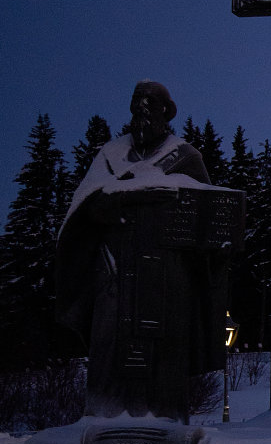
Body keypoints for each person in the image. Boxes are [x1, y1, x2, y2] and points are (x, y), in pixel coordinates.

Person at [56, 80, 242, 423]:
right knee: (111, 347)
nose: (141, 112)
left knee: (164, 351)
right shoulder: (110, 156)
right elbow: (84, 209)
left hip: (168, 278)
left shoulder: (186, 158)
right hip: (115, 271)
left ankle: (165, 418)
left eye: (149, 105)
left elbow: (209, 223)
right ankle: (106, 415)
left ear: (164, 113)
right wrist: (119, 199)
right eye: (136, 105)